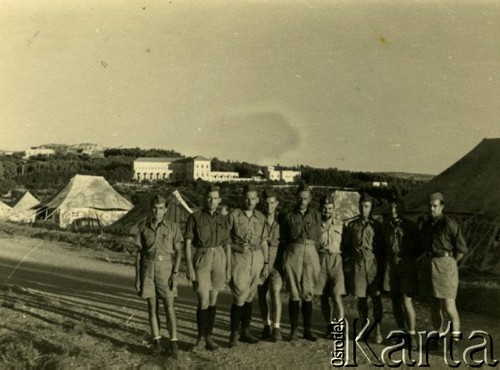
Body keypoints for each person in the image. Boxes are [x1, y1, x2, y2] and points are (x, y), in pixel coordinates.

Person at [134, 194, 183, 357]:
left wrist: (175, 274)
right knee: (152, 307)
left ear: (166, 210)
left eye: (161, 208)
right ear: (151, 209)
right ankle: (157, 342)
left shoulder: (173, 227)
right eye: (154, 208)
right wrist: (138, 278)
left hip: (166, 268)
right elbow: (139, 254)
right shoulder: (143, 226)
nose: (157, 211)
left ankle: (174, 343)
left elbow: (178, 251)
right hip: (147, 268)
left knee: (169, 307)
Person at [185, 185, 231, 351]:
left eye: (215, 198)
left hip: (219, 257)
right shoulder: (195, 217)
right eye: (209, 197)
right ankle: (200, 338)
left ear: (220, 200)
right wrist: (189, 266)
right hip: (202, 257)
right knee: (203, 300)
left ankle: (209, 337)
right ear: (205, 199)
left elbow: (227, 245)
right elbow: (188, 243)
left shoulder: (222, 219)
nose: (212, 201)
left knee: (213, 300)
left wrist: (228, 268)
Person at [419, 192, 468, 343]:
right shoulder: (427, 225)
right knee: (434, 305)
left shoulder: (449, 224)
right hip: (430, 265)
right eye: (430, 206)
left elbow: (461, 249)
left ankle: (455, 339)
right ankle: (438, 337)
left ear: (442, 206)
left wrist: (451, 262)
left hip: (446, 266)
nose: (431, 209)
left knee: (448, 305)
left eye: (435, 206)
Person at [227, 184, 269, 347]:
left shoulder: (261, 217)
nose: (250, 201)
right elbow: (225, 240)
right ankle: (233, 334)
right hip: (239, 258)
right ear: (242, 199)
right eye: (247, 198)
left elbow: (264, 241)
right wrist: (236, 247)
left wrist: (265, 263)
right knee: (239, 295)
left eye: (253, 198)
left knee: (250, 296)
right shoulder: (234, 215)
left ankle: (245, 331)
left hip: (257, 258)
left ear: (257, 200)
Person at [281, 183, 322, 341]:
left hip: (311, 252)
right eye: (300, 197)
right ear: (296, 197)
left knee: (308, 292)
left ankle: (307, 329)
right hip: (293, 250)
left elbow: (318, 236)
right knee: (294, 291)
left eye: (305, 197)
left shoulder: (316, 215)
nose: (302, 200)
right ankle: (293, 330)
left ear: (310, 198)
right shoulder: (288, 215)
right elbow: (284, 236)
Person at [342, 193, 384, 344]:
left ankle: (378, 330)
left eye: (366, 206)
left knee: (376, 298)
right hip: (358, 263)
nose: (363, 209)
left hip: (373, 263)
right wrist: (349, 259)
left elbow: (382, 247)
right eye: (361, 206)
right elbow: (346, 246)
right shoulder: (352, 225)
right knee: (361, 299)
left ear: (371, 208)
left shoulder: (377, 226)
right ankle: (364, 329)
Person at [381, 197, 422, 341]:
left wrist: (408, 257)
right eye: (391, 208)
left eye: (396, 208)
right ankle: (402, 331)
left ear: (401, 210)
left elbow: (419, 247)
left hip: (406, 265)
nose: (393, 211)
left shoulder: (410, 226)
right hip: (392, 266)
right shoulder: (386, 226)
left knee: (406, 300)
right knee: (395, 300)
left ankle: (412, 335)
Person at [317, 194, 346, 338]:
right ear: (320, 209)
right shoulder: (316, 225)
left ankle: (339, 327)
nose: (327, 211)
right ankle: (330, 325)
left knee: (336, 296)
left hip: (336, 260)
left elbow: (346, 244)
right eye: (324, 208)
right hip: (321, 260)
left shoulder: (341, 224)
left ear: (334, 209)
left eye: (329, 208)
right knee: (323, 296)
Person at [257, 187, 284, 342]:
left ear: (277, 204)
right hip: (261, 263)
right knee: (261, 295)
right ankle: (266, 326)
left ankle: (277, 328)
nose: (269, 206)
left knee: (275, 293)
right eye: (267, 203)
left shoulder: (282, 222)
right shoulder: (259, 220)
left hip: (276, 264)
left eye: (272, 203)